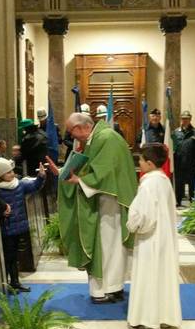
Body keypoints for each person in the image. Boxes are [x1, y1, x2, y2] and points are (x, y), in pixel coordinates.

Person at [51, 113, 137, 304]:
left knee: (107, 247)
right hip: (105, 201)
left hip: (109, 202)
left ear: (81, 128)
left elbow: (102, 172)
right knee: (111, 247)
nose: (73, 138)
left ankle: (106, 289)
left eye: (72, 133)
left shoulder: (105, 138)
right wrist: (66, 174)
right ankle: (112, 287)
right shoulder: (100, 137)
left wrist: (79, 180)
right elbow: (94, 166)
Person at [126, 144, 182, 329]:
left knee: (148, 276)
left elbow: (143, 217)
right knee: (161, 275)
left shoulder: (148, 183)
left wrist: (132, 225)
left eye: (140, 160)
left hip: (150, 239)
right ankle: (163, 316)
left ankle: (146, 321)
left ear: (149, 163)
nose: (139, 163)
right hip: (164, 236)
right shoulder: (164, 180)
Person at [0, 158, 45, 292]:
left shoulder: (19, 184)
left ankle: (15, 282)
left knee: (14, 256)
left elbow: (35, 186)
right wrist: (0, 211)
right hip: (5, 228)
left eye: (12, 171)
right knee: (8, 257)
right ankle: (9, 283)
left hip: (18, 228)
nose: (11, 174)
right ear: (0, 175)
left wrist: (41, 176)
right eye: (7, 172)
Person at [172, 110, 195, 207]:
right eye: (183, 119)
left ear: (190, 119)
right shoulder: (175, 133)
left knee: (192, 184)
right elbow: (172, 148)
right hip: (178, 163)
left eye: (187, 119)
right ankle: (178, 201)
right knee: (179, 184)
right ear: (181, 119)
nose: (185, 121)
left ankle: (193, 202)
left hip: (191, 164)